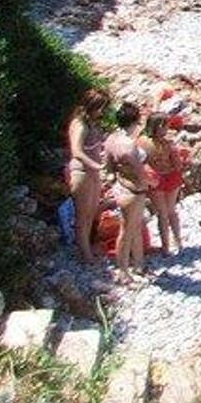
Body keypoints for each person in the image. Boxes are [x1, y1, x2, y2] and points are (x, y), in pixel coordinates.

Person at [101, 102, 150, 281]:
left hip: (120, 187)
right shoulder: (129, 145)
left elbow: (108, 167)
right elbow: (140, 172)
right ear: (136, 120)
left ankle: (139, 264)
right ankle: (123, 271)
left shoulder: (111, 139)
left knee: (134, 227)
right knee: (127, 231)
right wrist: (150, 183)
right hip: (134, 190)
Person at [63, 88, 111, 263]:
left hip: (93, 172)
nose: (102, 112)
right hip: (82, 172)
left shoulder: (92, 123)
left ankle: (88, 248)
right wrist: (97, 165)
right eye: (101, 107)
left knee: (92, 213)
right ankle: (85, 254)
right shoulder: (80, 124)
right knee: (83, 216)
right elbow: (76, 150)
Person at [139, 101, 191, 256]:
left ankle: (166, 247)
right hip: (170, 177)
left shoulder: (142, 142)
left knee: (162, 213)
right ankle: (178, 242)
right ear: (159, 126)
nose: (167, 129)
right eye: (165, 126)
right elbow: (177, 165)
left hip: (155, 179)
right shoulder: (168, 144)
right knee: (171, 211)